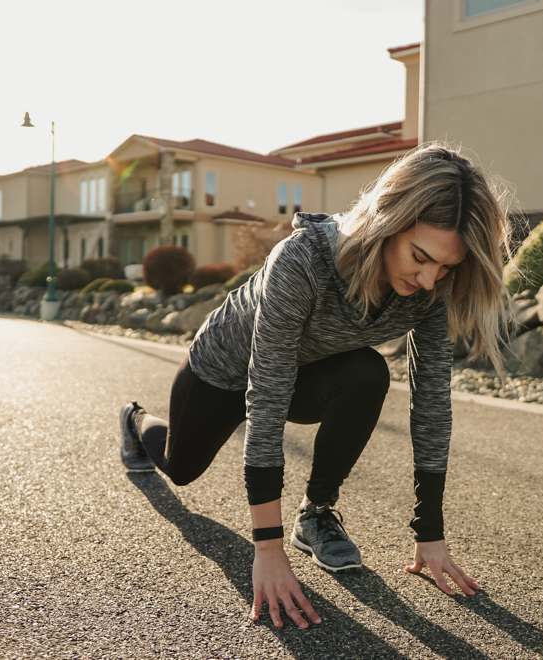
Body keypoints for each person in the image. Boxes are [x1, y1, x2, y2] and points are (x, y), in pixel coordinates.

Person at [119, 142, 516, 629]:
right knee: (180, 469)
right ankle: (136, 420)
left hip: (308, 373)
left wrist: (429, 533)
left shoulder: (432, 289)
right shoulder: (303, 259)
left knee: (368, 372)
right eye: (420, 256)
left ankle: (317, 513)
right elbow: (265, 393)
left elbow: (431, 398)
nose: (431, 279)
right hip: (223, 370)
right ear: (385, 221)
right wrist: (266, 547)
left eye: (447, 267)